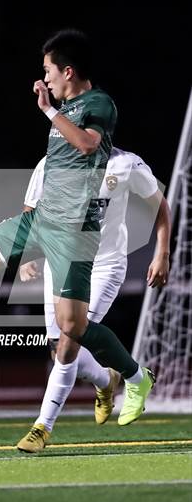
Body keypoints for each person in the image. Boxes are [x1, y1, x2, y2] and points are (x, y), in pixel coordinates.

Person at [0, 29, 155, 441]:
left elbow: (89, 147)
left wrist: (50, 112)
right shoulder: (67, 107)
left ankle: (134, 375)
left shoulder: (99, 104)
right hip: (42, 221)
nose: (45, 78)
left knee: (72, 327)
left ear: (68, 71)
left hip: (75, 232)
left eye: (48, 70)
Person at [17, 147, 170, 451]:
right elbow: (30, 210)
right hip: (60, 263)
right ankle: (106, 380)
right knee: (57, 348)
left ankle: (42, 427)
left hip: (105, 265)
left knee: (70, 338)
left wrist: (162, 253)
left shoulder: (126, 164)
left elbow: (160, 206)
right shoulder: (50, 162)